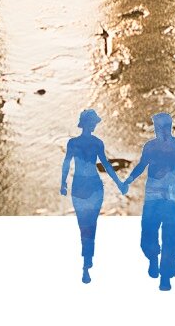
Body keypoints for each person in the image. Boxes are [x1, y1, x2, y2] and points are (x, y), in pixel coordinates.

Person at [117, 112, 175, 291]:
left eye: (157, 127)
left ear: (165, 127)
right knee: (161, 235)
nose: (156, 131)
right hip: (163, 197)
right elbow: (142, 166)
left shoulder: (171, 147)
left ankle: (165, 274)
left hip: (161, 198)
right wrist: (128, 181)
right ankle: (155, 261)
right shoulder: (160, 146)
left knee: (165, 236)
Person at [60, 109, 126, 283]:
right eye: (95, 123)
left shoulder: (72, 143)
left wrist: (63, 183)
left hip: (79, 186)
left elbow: (66, 164)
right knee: (92, 223)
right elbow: (106, 165)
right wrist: (119, 183)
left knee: (83, 223)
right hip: (94, 186)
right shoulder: (97, 143)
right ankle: (87, 260)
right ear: (91, 124)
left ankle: (86, 259)